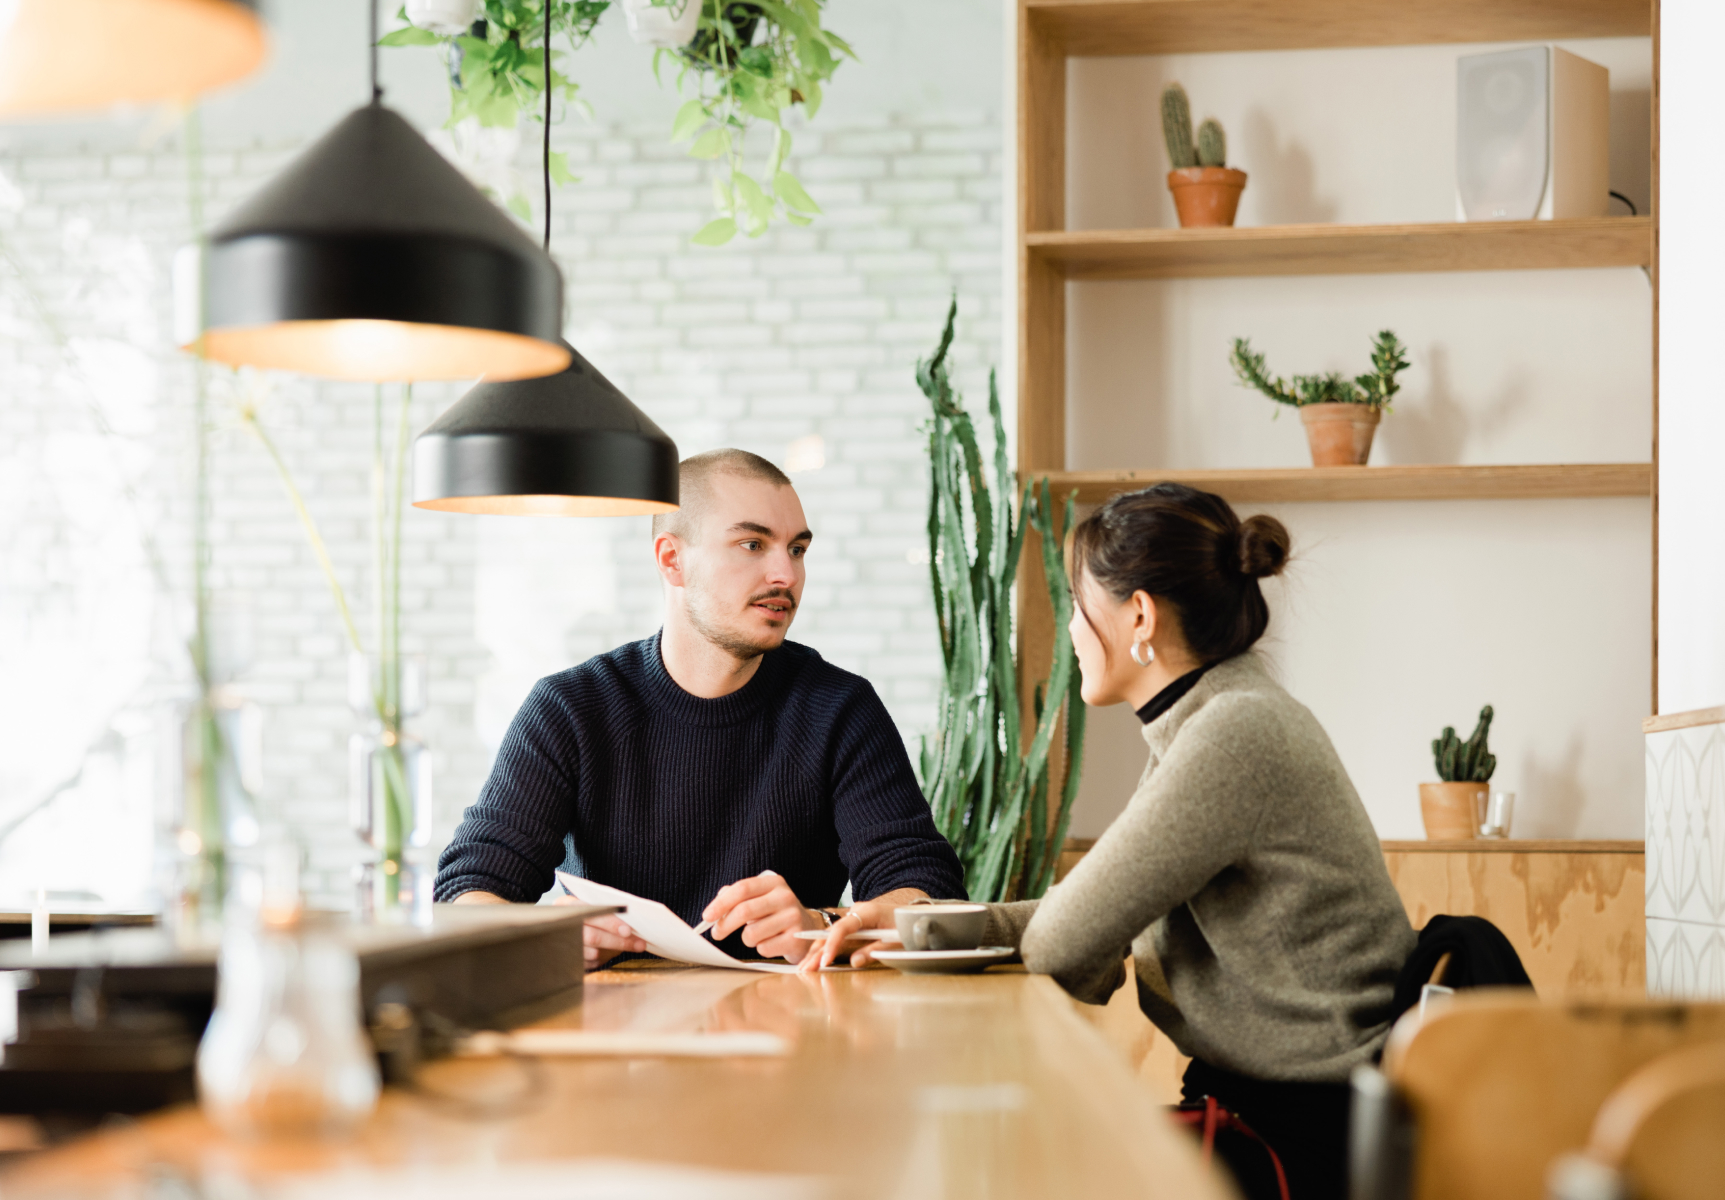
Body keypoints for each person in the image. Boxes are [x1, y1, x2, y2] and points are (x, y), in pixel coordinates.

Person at [811, 483, 1414, 1200]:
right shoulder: (1212, 714)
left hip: (1301, 1133)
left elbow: (1066, 941)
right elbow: (1087, 912)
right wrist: (923, 929)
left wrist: (958, 935)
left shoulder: (1232, 733)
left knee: (995, 1165)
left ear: (1138, 614)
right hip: (1278, 1106)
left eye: (1075, 603)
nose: (1069, 629)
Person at [435, 449, 965, 968]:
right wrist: (545, 935)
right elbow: (467, 890)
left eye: (797, 549)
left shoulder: (840, 709)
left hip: (792, 1032)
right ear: (672, 559)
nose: (786, 574)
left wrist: (820, 923)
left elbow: (926, 892)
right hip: (618, 1034)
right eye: (753, 544)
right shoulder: (570, 709)